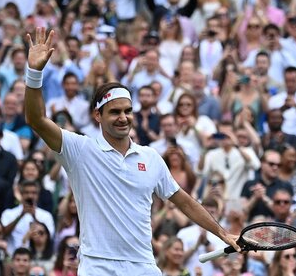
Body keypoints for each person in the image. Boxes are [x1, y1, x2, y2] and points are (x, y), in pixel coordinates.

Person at [24, 28, 239, 275]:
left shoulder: (151, 157)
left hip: (143, 265)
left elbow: (185, 202)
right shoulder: (79, 149)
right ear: (98, 115)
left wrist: (222, 233)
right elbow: (36, 119)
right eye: (115, 112)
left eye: (127, 110)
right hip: (98, 266)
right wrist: (34, 73)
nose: (123, 117)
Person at [1, 180, 55, 256]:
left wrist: (34, 217)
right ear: (21, 194)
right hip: (12, 256)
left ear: (38, 195)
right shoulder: (8, 213)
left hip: (36, 257)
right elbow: (3, 233)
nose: (30, 196)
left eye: (33, 193)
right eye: (26, 192)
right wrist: (21, 215)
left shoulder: (46, 215)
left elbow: (49, 237)